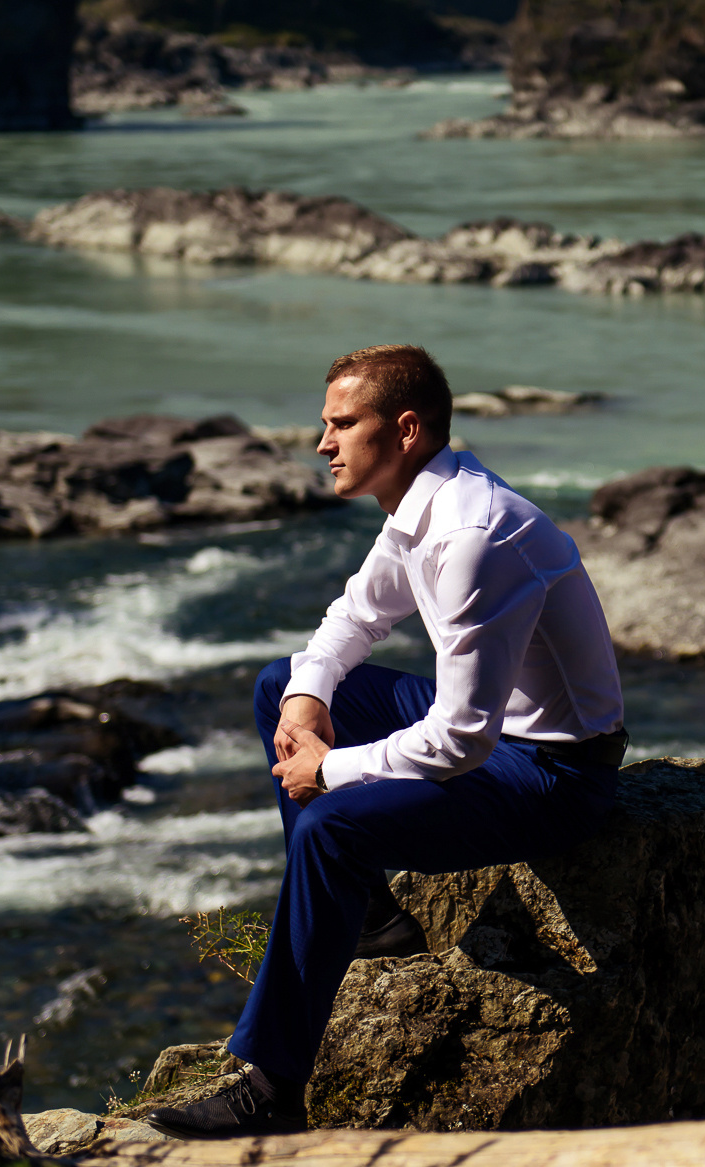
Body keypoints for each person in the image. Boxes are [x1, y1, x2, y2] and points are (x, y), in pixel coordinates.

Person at [150, 344, 626, 1139]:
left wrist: (329, 767)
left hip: (555, 772)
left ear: (405, 429)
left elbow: (461, 740)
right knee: (279, 683)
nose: (322, 443)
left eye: (342, 424)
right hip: (498, 732)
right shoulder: (421, 506)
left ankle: (273, 1087)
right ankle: (370, 917)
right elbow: (357, 615)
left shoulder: (473, 535)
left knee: (331, 828)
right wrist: (307, 701)